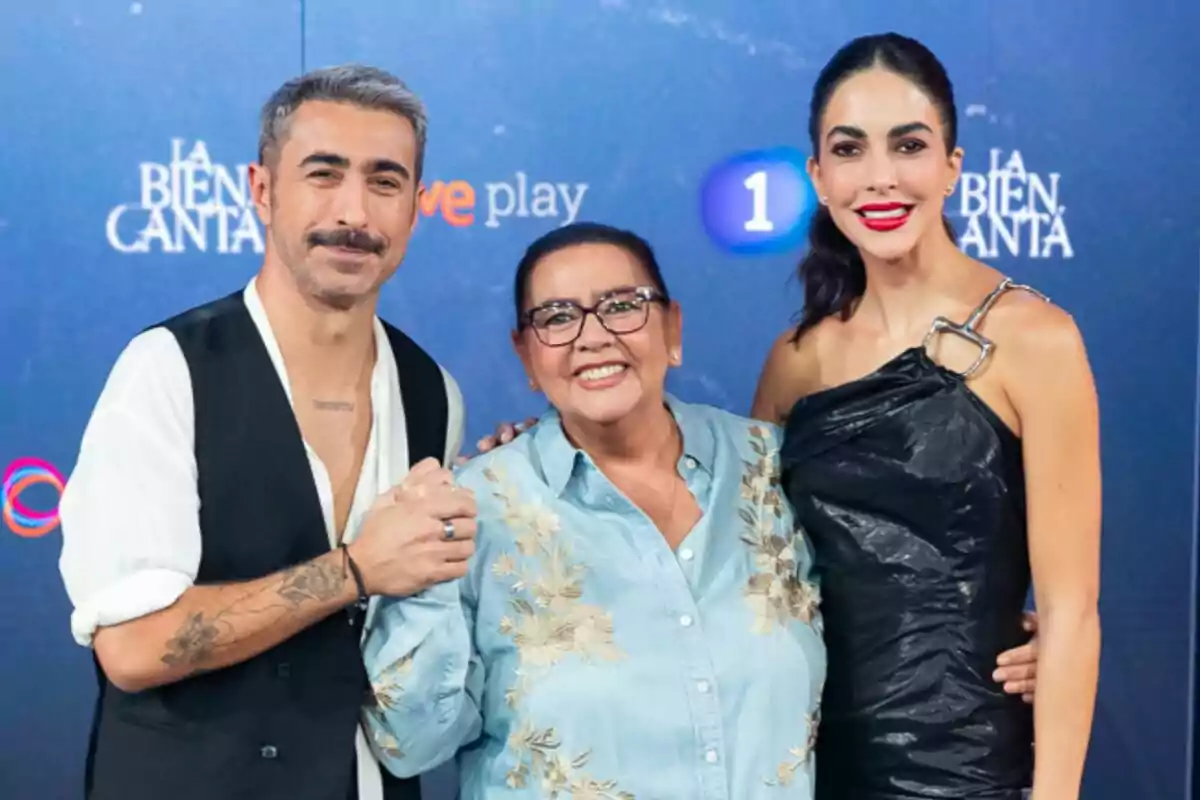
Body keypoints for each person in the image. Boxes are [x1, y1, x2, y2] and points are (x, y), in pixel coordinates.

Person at [57, 64, 476, 800]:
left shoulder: (432, 391)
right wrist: (351, 570)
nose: (354, 211)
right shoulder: (167, 369)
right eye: (324, 173)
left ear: (415, 206)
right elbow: (133, 645)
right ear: (262, 189)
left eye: (385, 181)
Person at [359, 222, 826, 798]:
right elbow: (409, 744)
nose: (593, 336)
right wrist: (428, 564)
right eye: (557, 317)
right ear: (526, 356)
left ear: (672, 328)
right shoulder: (473, 511)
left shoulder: (778, 473)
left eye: (622, 306)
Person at [752, 34, 1101, 799]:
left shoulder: (1036, 341)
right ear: (818, 174)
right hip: (807, 769)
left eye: (908, 145)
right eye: (850, 150)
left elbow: (1072, 613)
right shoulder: (795, 359)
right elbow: (749, 574)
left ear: (951, 165)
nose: (880, 178)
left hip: (970, 771)